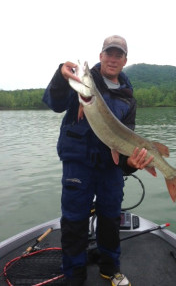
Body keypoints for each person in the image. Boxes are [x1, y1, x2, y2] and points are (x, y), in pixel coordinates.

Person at [43, 35, 153, 286]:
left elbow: (124, 146)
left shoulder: (128, 98)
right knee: (74, 221)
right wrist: (61, 76)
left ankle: (110, 268)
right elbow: (54, 103)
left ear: (125, 60)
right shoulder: (82, 84)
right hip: (78, 164)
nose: (113, 59)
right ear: (101, 55)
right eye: (109, 53)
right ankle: (74, 276)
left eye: (118, 55)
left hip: (110, 169)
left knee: (111, 219)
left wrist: (130, 164)